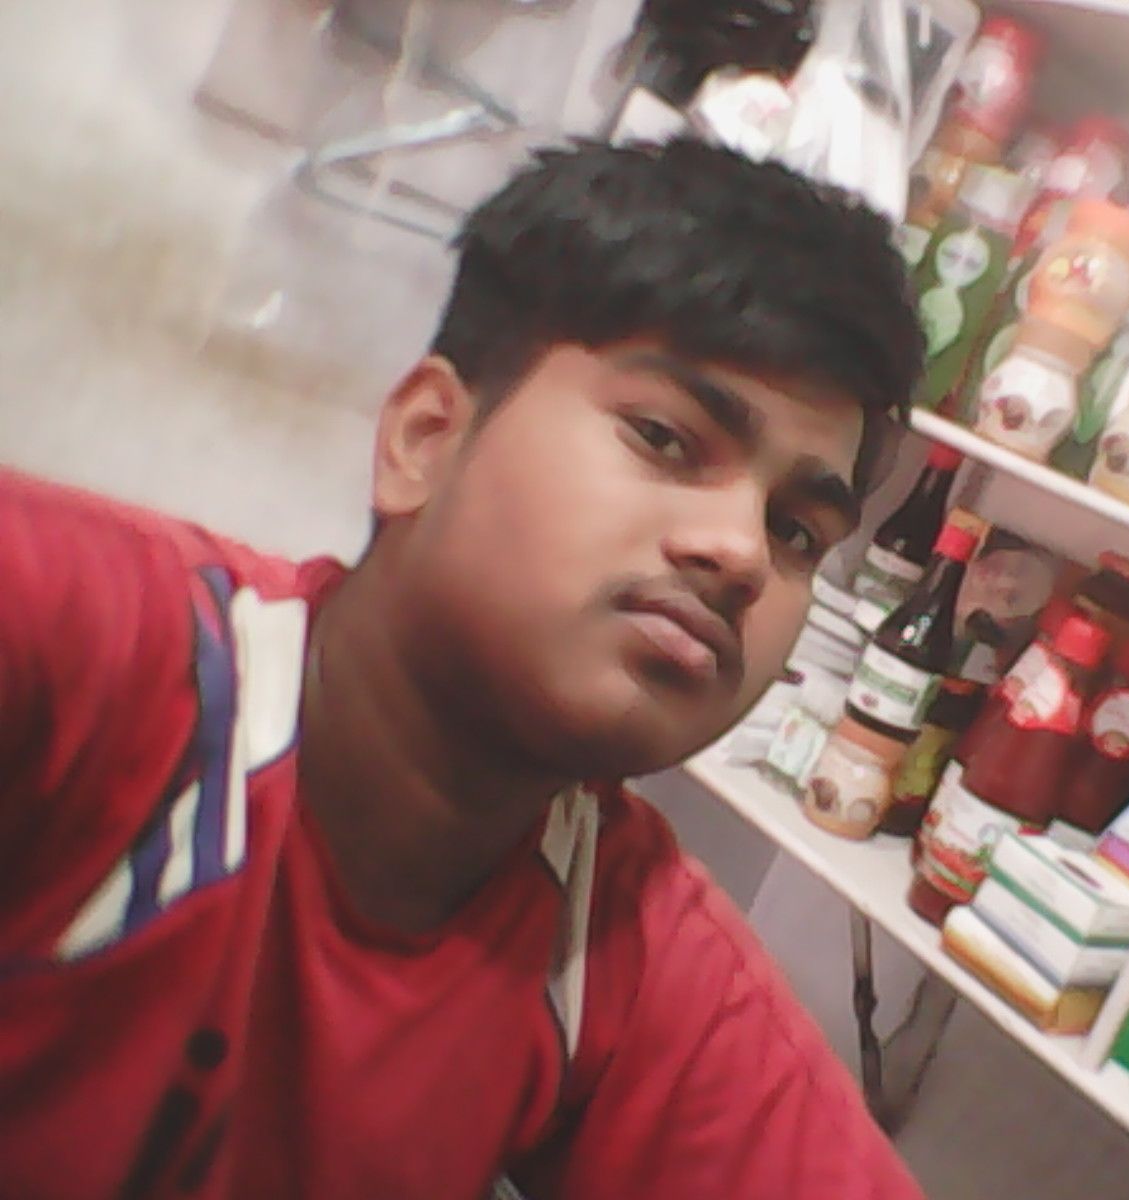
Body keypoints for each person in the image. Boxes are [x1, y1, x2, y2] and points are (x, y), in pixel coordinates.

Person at [0, 138, 926, 1199]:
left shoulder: (611, 946)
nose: (741, 552)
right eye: (666, 439)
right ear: (427, 437)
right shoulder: (100, 662)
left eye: (798, 531)